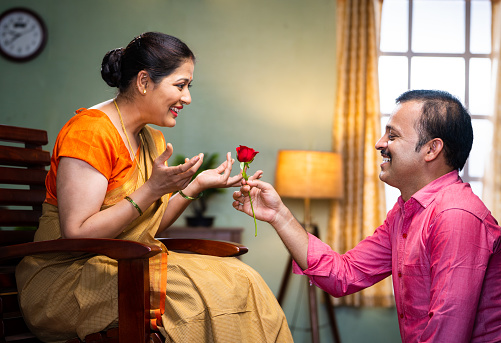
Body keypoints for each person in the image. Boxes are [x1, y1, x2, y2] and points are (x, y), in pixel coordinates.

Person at [15, 32, 292, 343]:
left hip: (123, 265)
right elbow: (77, 235)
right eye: (180, 85)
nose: (187, 98)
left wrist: (195, 186)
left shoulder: (151, 139)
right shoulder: (91, 133)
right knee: (197, 294)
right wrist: (151, 189)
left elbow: (146, 224)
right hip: (68, 278)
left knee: (243, 280)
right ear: (144, 81)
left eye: (189, 86)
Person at [233, 89, 501, 342]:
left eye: (393, 136)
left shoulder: (456, 216)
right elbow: (343, 275)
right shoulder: (405, 212)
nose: (379, 144)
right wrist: (279, 215)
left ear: (432, 149)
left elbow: (447, 335)